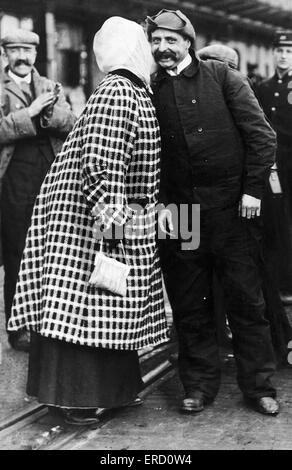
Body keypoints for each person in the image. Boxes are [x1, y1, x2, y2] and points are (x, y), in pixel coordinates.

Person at [8, 17, 169, 426]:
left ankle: (109, 391)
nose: (152, 52)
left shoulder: (127, 90)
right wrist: (113, 231)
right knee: (84, 311)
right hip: (89, 224)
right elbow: (100, 167)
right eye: (145, 44)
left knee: (103, 310)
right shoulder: (119, 92)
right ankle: (76, 399)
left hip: (102, 217)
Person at [146, 9, 280, 415]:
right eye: (156, 41)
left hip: (231, 211)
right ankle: (198, 385)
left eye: (170, 40)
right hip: (181, 213)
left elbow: (262, 136)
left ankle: (258, 387)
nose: (162, 48)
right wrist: (156, 205)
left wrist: (252, 192)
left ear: (187, 41)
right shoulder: (150, 87)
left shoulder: (223, 78)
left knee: (246, 301)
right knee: (189, 305)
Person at [198, 43, 292, 365]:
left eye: (208, 65)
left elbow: (264, 142)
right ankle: (204, 342)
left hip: (238, 204)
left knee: (248, 274)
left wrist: (252, 196)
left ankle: (273, 346)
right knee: (198, 275)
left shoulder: (237, 96)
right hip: (195, 205)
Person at [0, 29, 76, 351]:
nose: (22, 56)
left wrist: (50, 113)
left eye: (27, 51)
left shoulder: (49, 86)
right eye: (14, 50)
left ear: (35, 54)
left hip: (51, 175)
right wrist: (29, 113)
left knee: (51, 250)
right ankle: (18, 327)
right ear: (4, 54)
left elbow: (74, 122)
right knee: (18, 250)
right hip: (15, 176)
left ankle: (48, 321)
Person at [256, 31, 292, 302]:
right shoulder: (264, 88)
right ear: (273, 54)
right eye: (280, 51)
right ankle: (280, 280)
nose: (283, 56)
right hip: (273, 164)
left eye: (289, 52)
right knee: (275, 218)